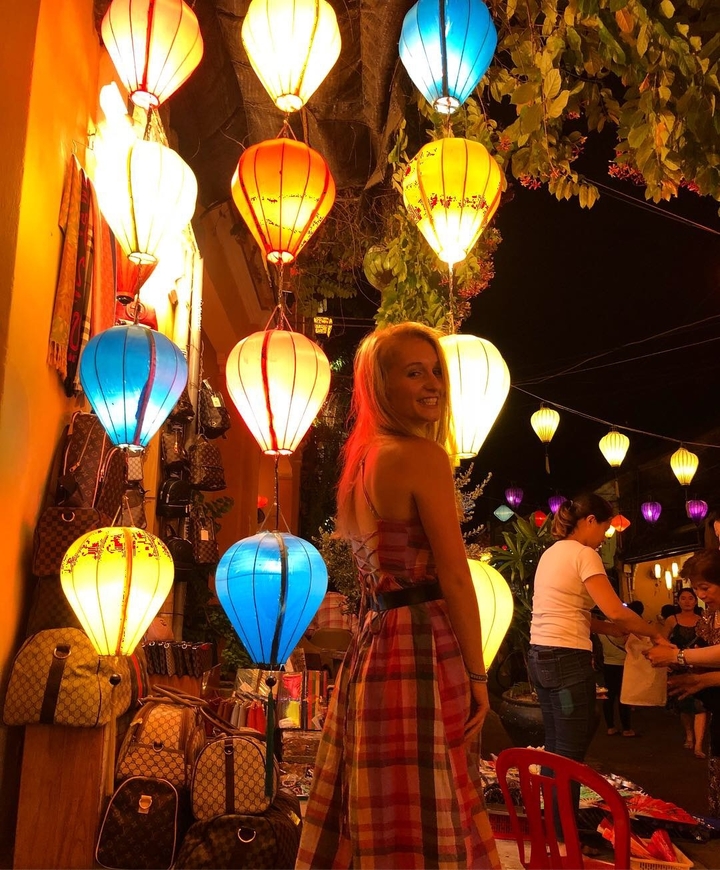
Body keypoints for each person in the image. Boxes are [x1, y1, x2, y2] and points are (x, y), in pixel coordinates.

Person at [296, 322, 500, 869]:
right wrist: (479, 676)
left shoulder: (362, 462)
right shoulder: (420, 457)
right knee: (431, 800)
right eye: (414, 372)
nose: (433, 383)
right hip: (422, 649)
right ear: (383, 387)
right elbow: (456, 578)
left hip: (374, 647)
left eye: (436, 370)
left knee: (378, 803)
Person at [528, 495, 670, 828]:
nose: (605, 536)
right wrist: (654, 634)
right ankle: (565, 829)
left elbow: (575, 613)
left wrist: (610, 630)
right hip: (565, 659)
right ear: (590, 520)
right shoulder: (584, 554)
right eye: (605, 528)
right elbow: (617, 610)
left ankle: (554, 824)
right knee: (570, 749)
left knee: (556, 746)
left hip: (541, 656)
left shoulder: (552, 553)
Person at [646, 550, 720, 816]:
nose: (701, 595)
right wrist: (673, 660)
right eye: (696, 588)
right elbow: (702, 654)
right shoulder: (710, 617)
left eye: (705, 587)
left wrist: (680, 657)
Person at [661, 587, 708, 757]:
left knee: (701, 706)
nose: (687, 601)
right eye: (683, 598)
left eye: (691, 598)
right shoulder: (672, 620)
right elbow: (662, 640)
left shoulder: (702, 619)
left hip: (698, 666)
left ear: (696, 601)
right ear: (678, 601)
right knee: (685, 705)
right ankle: (689, 734)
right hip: (678, 667)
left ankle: (699, 745)